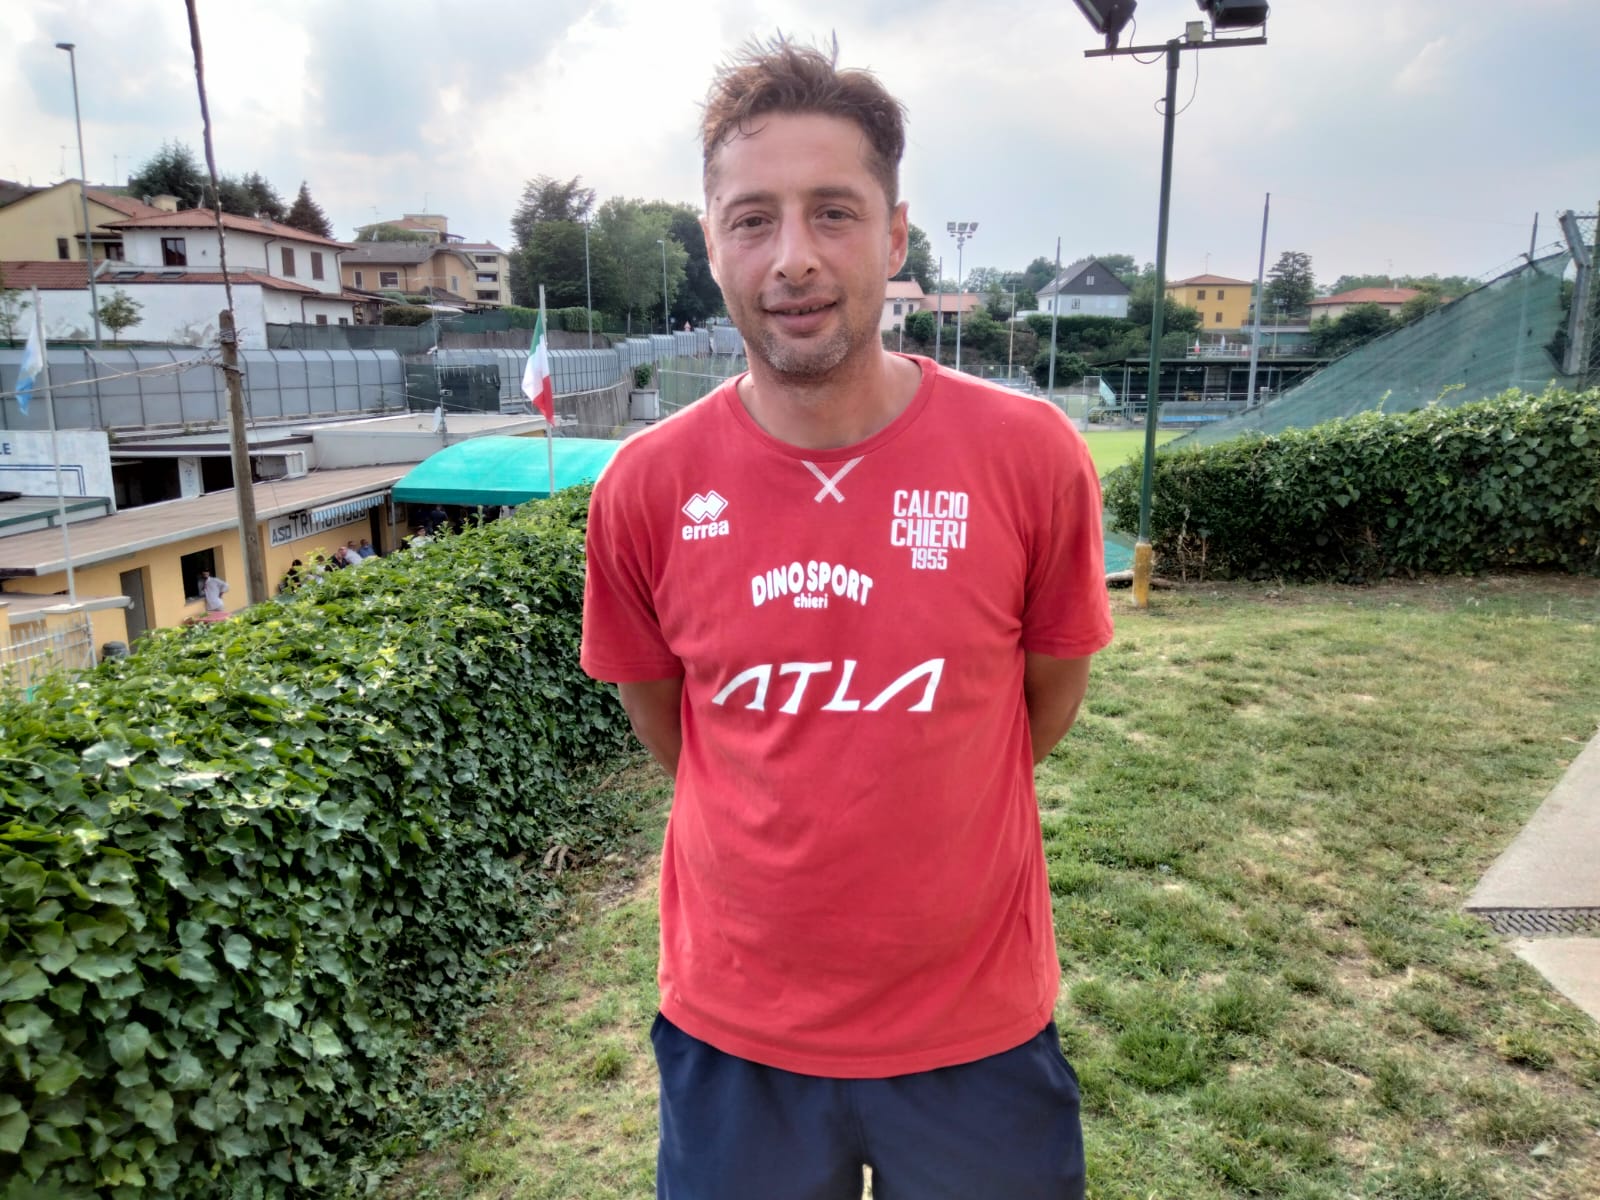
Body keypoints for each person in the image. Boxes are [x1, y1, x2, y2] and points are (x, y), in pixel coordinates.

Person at [580, 37, 1113, 1200]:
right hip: (736, 1034)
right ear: (712, 244)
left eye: (833, 212)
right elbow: (670, 722)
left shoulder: (1029, 458)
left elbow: (1041, 703)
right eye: (752, 219)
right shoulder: (644, 487)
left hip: (975, 1030)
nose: (794, 258)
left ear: (895, 236)